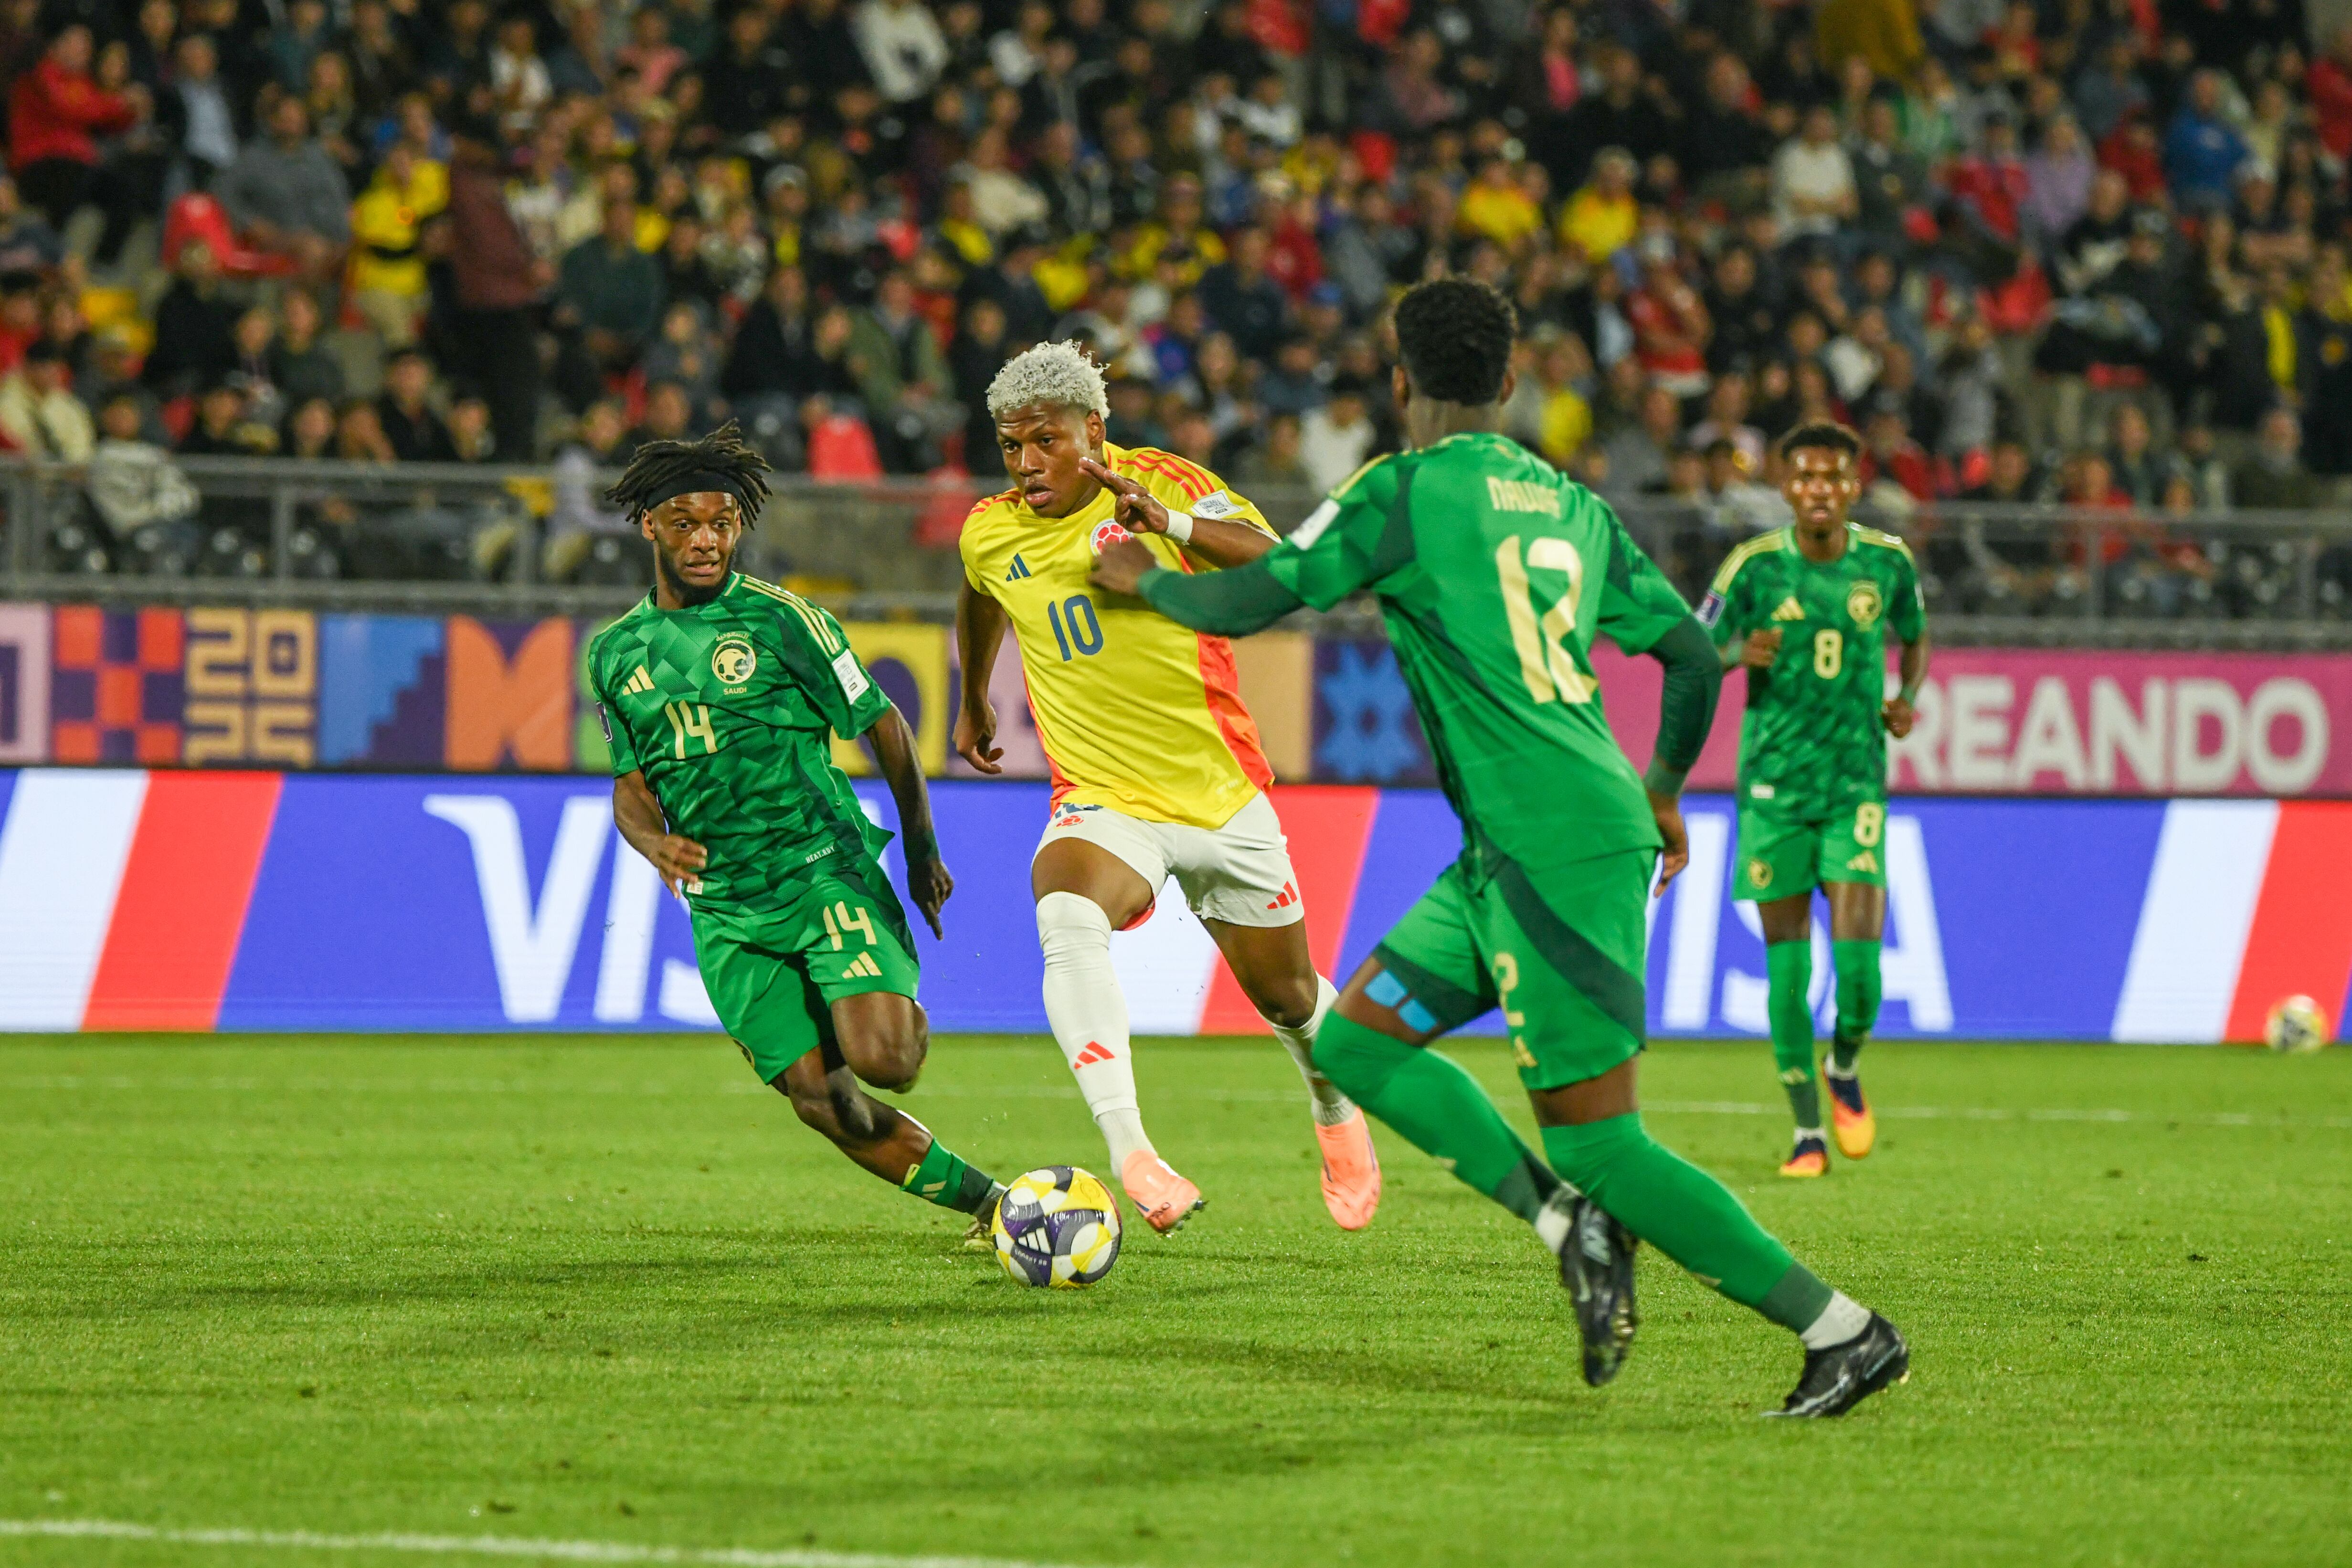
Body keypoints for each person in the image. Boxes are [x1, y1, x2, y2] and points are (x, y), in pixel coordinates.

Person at [1092, 277, 1909, 1416]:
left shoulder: (1401, 494)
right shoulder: (1569, 502)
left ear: (1397, 381)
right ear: (1512, 384)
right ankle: (1565, 1226)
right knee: (1362, 1048)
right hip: (1518, 845)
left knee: (1605, 1144)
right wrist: (1662, 787)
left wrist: (1143, 582)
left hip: (1555, 850)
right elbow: (1682, 650)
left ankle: (1845, 1330)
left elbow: (1254, 600)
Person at [953, 339, 1380, 1235]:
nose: (1027, 465)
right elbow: (980, 592)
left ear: (1093, 433)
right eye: (1010, 446)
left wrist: (1168, 528)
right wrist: (972, 703)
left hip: (1221, 796)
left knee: (1291, 1000)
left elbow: (1281, 564)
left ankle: (1336, 1109)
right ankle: (1131, 1151)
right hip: (1107, 800)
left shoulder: (1164, 481)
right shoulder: (988, 530)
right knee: (1064, 910)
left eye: (1046, 442)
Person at [586, 423, 1011, 1242]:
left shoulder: (784, 621)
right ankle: (995, 1208)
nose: (706, 540)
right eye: (685, 524)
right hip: (726, 907)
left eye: (721, 523)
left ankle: (857, 991)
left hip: (820, 871)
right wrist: (652, 844)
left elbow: (884, 726)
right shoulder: (613, 654)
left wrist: (921, 851)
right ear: (649, 527)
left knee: (890, 1063)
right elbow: (630, 790)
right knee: (824, 1102)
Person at [1701, 422, 1931, 1178]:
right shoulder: (1753, 567)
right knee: (1788, 974)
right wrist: (1737, 653)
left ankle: (1844, 1064)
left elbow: (1916, 636)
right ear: (1784, 486)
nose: (1817, 491)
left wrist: (1905, 697)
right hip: (1771, 791)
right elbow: (1695, 647)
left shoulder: (1887, 563)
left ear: (1853, 485)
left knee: (1860, 973)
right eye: (1802, 478)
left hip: (1854, 782)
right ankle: (1806, 1135)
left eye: (1831, 477)